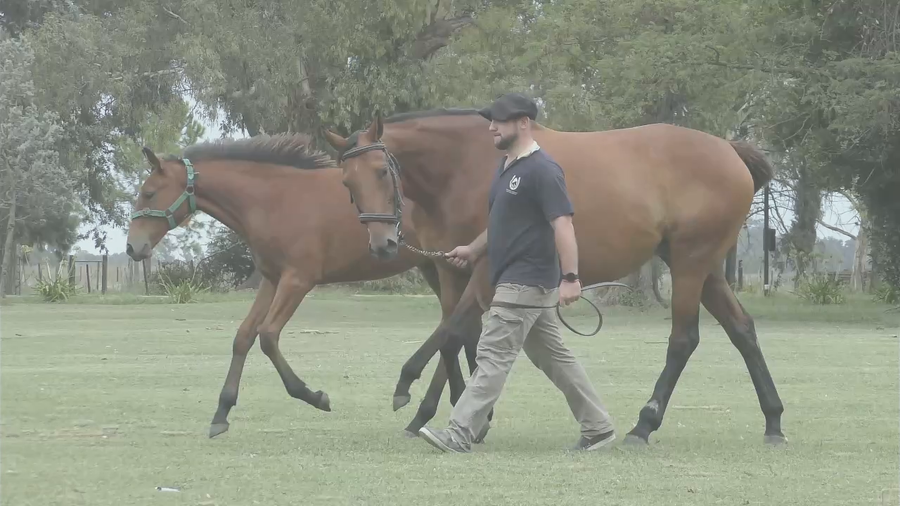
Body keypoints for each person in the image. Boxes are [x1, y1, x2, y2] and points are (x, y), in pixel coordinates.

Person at [417, 92, 616, 453]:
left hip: (524, 281)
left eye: (499, 120)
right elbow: (503, 224)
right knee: (554, 357)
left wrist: (570, 278)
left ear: (523, 123)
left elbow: (563, 224)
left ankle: (459, 433)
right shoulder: (508, 167)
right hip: (518, 279)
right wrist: (473, 249)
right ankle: (599, 427)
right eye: (491, 120)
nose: (491, 127)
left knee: (492, 355)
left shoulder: (543, 170)